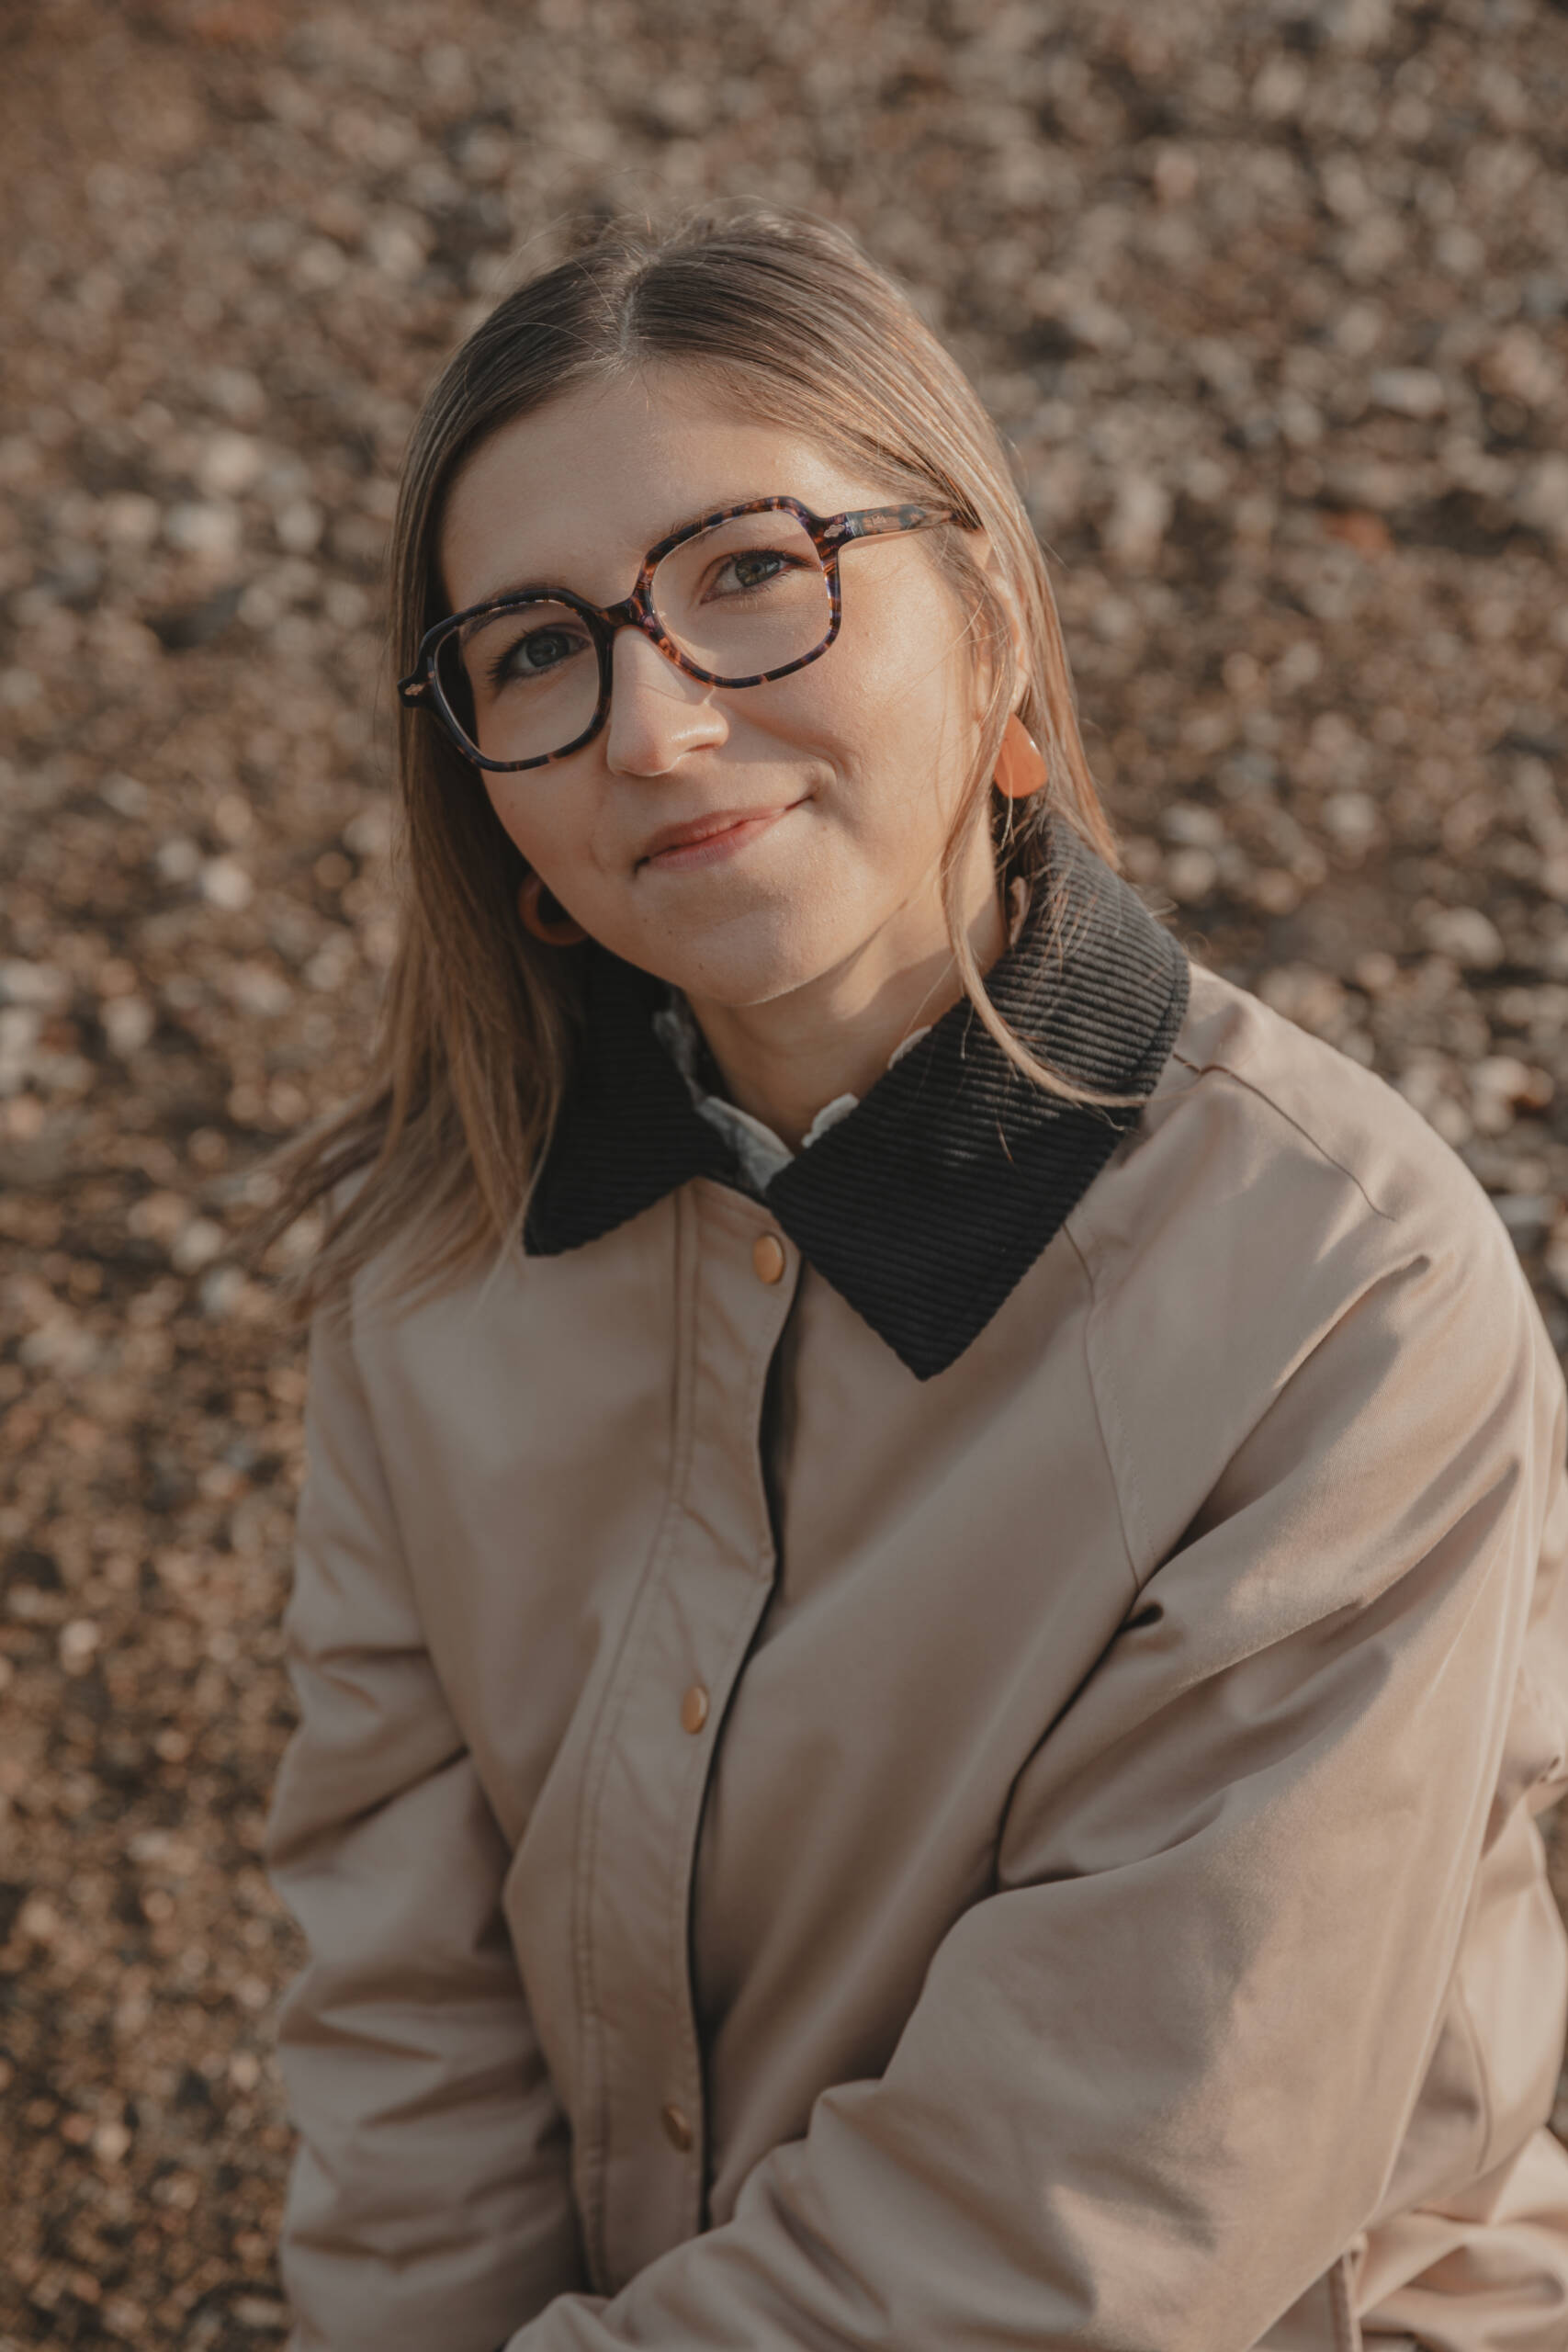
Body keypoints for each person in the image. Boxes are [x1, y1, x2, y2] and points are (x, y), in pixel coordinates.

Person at [261, 207, 1568, 2352]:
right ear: (489, 808)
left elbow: (1085, 2216)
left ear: (990, 624)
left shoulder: (1340, 1297)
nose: (653, 725)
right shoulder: (428, 1271)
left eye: (749, 572)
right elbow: (403, 2032)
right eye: (531, 648)